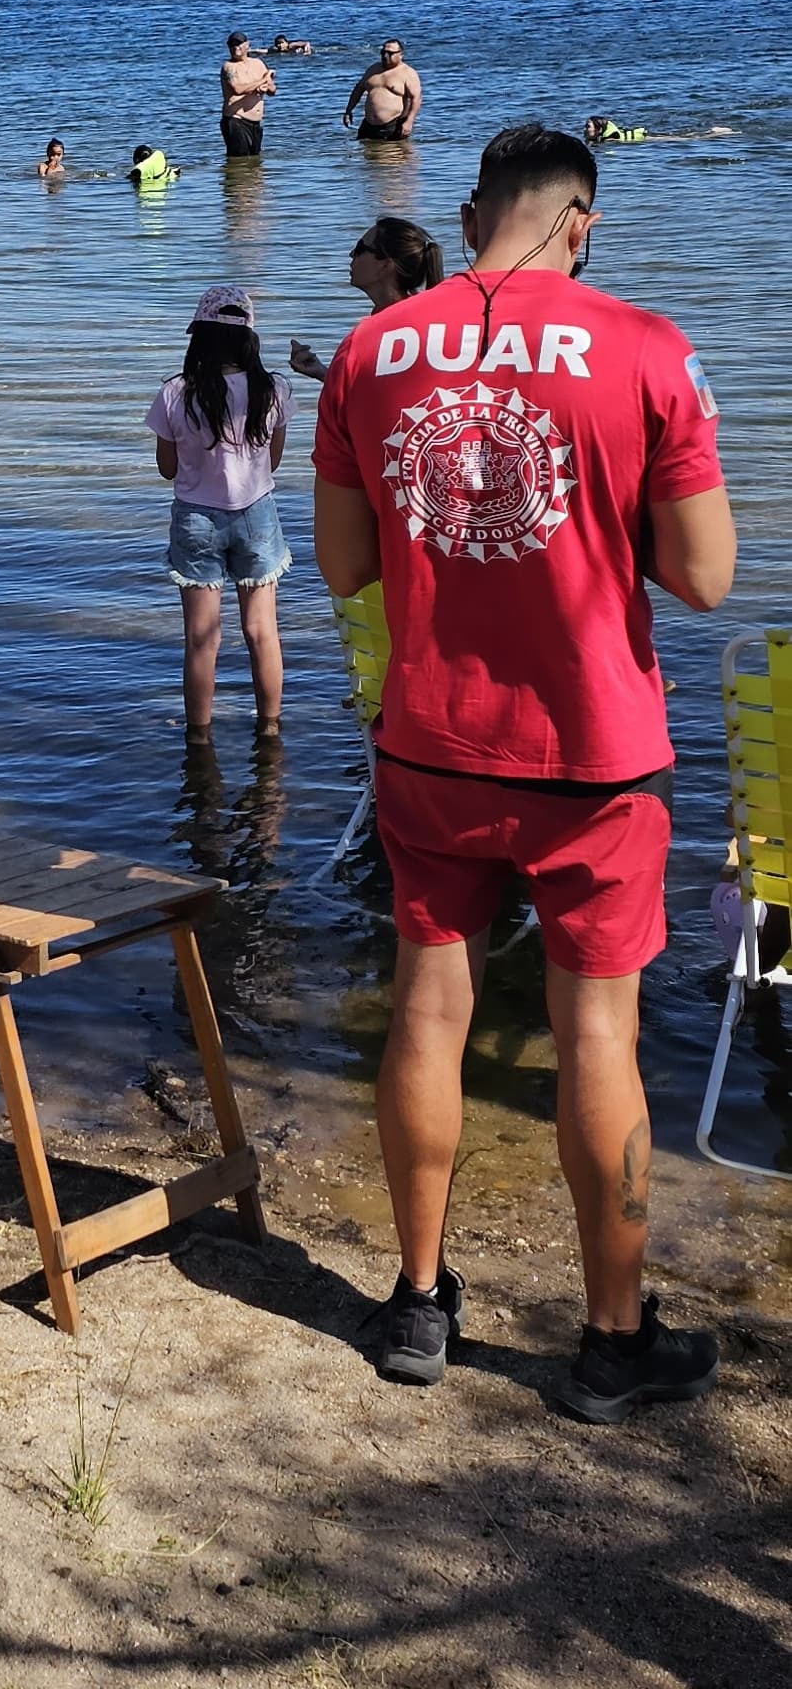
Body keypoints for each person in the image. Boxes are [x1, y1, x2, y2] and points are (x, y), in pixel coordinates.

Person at [313, 120, 734, 1421]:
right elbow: (707, 577)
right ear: (580, 220)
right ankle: (612, 1344)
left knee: (428, 1011)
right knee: (595, 1034)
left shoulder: (373, 349)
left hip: (431, 741)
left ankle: (419, 1302)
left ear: (477, 207)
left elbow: (343, 570)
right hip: (593, 754)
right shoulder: (649, 348)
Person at [149, 282, 290, 735]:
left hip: (196, 518)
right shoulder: (274, 389)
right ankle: (269, 728)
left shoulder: (175, 392)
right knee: (261, 631)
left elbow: (167, 469)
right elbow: (273, 460)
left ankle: (200, 736)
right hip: (257, 516)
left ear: (199, 337)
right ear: (249, 338)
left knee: (201, 640)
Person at [289, 218, 445, 384]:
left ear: (385, 265)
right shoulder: (403, 317)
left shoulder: (393, 330)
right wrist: (323, 374)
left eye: (360, 249)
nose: (351, 255)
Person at [344, 38, 422, 142]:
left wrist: (409, 121)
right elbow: (358, 89)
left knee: (390, 157)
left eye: (390, 53)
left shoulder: (408, 73)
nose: (385, 56)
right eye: (383, 52)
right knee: (366, 155)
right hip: (368, 125)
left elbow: (416, 98)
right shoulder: (373, 69)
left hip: (392, 125)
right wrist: (348, 110)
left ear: (400, 54)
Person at [219, 33, 276, 157]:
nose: (235, 47)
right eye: (232, 45)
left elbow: (272, 90)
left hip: (255, 123)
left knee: (255, 162)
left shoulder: (258, 63)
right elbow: (238, 89)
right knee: (240, 161)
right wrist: (263, 80)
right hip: (236, 120)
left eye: (238, 44)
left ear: (247, 45)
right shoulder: (229, 67)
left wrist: (264, 88)